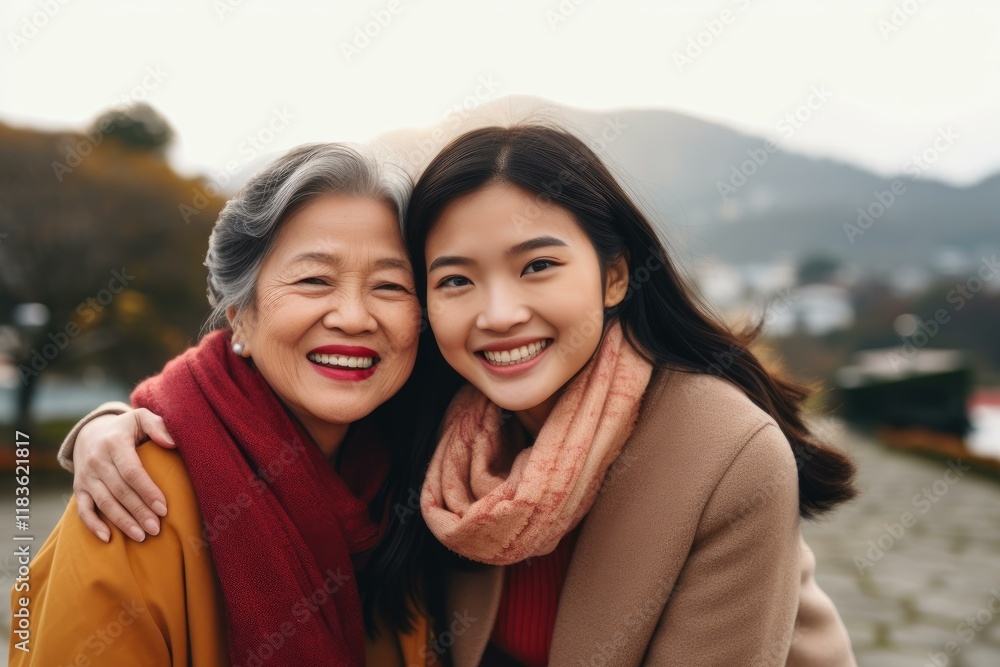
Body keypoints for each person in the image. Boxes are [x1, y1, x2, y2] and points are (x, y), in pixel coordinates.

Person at [52, 125, 859, 665]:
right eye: (455, 279)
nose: (500, 312)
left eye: (539, 265)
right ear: (241, 312)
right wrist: (107, 425)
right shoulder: (446, 427)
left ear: (616, 273)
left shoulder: (721, 457)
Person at [8, 142, 435, 667]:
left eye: (390, 285)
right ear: (240, 315)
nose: (353, 316)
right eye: (314, 280)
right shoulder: (133, 497)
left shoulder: (430, 483)